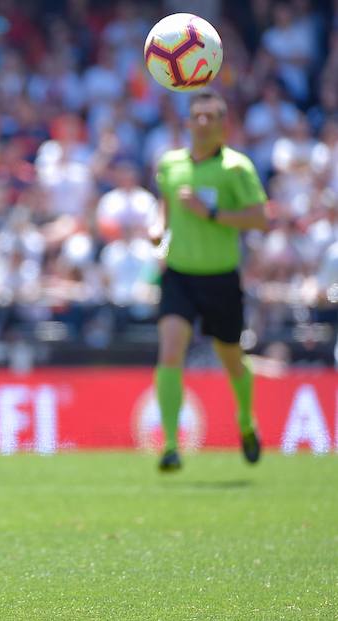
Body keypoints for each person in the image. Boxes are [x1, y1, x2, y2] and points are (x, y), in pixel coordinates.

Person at [152, 90, 269, 472]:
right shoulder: (171, 164)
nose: (203, 123)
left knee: (231, 358)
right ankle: (170, 446)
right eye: (197, 116)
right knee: (170, 351)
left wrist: (211, 212)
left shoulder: (237, 168)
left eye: (211, 117)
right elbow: (165, 213)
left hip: (220, 277)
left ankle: (246, 421)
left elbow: (259, 218)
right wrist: (159, 233)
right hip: (180, 275)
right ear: (187, 122)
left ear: (223, 124)